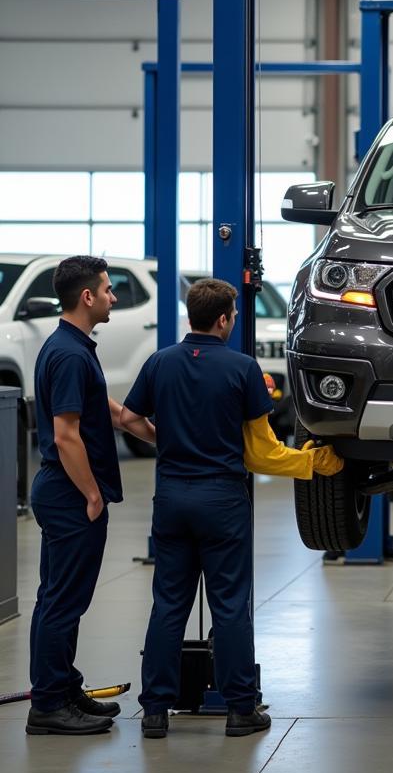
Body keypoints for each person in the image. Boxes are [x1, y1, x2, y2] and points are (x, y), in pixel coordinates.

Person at [120, 278, 343, 740]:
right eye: (235, 315)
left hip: (173, 497)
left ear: (190, 315)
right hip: (221, 500)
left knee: (168, 605)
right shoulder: (243, 369)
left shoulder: (159, 363)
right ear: (223, 319)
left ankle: (155, 712)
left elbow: (127, 418)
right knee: (229, 606)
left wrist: (170, 442)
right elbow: (262, 455)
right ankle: (240, 710)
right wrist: (312, 463)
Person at [27, 256, 155, 736]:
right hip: (68, 495)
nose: (112, 297)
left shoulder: (73, 347)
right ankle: (48, 706)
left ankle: (61, 688)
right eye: (107, 290)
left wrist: (159, 432)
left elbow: (108, 409)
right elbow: (66, 436)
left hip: (65, 493)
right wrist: (92, 495)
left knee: (60, 598)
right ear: (87, 297)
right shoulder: (69, 353)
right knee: (62, 602)